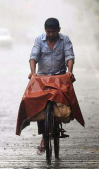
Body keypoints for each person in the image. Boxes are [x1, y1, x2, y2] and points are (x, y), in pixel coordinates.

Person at [28, 18, 75, 155]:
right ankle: (44, 138)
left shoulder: (65, 40)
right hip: (42, 78)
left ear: (58, 30)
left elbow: (69, 56)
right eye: (48, 32)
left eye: (53, 31)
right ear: (45, 31)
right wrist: (33, 73)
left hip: (59, 77)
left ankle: (59, 121)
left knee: (65, 102)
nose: (50, 34)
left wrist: (69, 71)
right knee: (38, 104)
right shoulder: (39, 40)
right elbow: (33, 56)